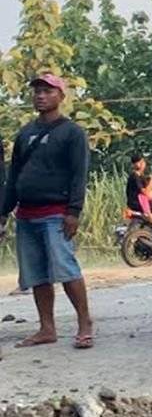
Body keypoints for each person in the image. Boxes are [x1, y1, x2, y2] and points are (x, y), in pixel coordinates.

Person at [0, 73, 94, 350]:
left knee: (66, 269)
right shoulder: (25, 133)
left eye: (47, 91)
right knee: (36, 274)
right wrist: (4, 211)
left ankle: (84, 323)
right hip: (26, 215)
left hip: (56, 212)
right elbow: (14, 175)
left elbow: (79, 175)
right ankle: (46, 328)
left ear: (61, 97)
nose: (40, 95)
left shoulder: (72, 133)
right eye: (37, 91)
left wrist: (73, 212)